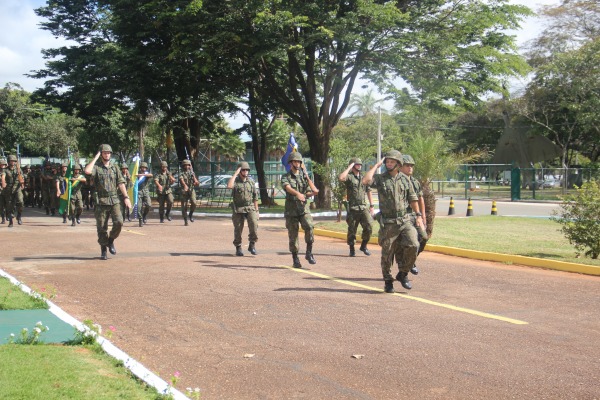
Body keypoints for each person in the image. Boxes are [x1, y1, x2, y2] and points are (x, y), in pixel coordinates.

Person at [362, 150, 425, 293]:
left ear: (398, 164)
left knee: (414, 245)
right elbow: (366, 181)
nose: (389, 164)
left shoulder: (405, 179)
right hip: (389, 223)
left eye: (392, 162)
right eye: (387, 162)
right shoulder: (380, 178)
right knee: (387, 254)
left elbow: (413, 199)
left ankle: (403, 273)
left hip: (405, 220)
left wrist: (419, 216)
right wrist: (376, 165)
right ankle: (388, 281)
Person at [84, 144, 131, 260]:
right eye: (104, 153)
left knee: (119, 222)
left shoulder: (115, 168)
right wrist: (96, 157)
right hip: (101, 201)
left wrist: (126, 197)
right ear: (101, 154)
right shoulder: (97, 167)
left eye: (109, 153)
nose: (107, 154)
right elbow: (87, 171)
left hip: (114, 199)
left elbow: (121, 183)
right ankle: (103, 250)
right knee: (102, 227)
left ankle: (111, 240)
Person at [281, 151, 319, 268]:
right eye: (295, 161)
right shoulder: (285, 177)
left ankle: (309, 252)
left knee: (309, 226)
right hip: (291, 210)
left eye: (299, 161)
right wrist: (298, 194)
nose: (297, 163)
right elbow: (287, 188)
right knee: (293, 235)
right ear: (291, 163)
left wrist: (307, 177)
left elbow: (314, 191)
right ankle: (295, 258)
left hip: (303, 208)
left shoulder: (304, 177)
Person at [338, 158, 374, 257]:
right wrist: (349, 167)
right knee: (352, 230)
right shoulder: (349, 177)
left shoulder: (363, 178)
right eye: (357, 164)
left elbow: (369, 191)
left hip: (363, 208)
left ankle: (363, 245)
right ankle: (352, 249)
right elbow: (341, 178)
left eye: (360, 164)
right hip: (353, 208)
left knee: (369, 226)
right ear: (353, 166)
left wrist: (371, 205)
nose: (360, 166)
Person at [400, 154, 428, 275]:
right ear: (401, 167)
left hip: (415, 215)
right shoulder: (397, 181)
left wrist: (422, 215)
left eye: (411, 166)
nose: (410, 168)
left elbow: (420, 198)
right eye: (407, 165)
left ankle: (411, 261)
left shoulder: (415, 182)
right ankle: (405, 265)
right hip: (402, 216)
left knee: (423, 237)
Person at [227, 161, 259, 256]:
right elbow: (229, 186)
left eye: (247, 170)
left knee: (254, 224)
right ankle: (238, 247)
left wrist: (257, 211)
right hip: (238, 208)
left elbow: (255, 197)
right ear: (240, 171)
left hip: (250, 207)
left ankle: (252, 245)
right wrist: (235, 173)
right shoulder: (236, 181)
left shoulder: (251, 182)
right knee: (238, 228)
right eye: (243, 170)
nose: (245, 172)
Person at [1, 155, 25, 227]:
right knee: (9, 206)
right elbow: (3, 176)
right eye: (12, 161)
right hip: (8, 189)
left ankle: (19, 216)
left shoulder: (18, 169)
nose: (13, 162)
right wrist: (3, 182)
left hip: (17, 188)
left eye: (14, 161)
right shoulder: (5, 170)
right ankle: (11, 221)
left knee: (20, 202)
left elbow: (21, 178)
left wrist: (22, 183)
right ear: (8, 161)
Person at [179, 159, 199, 226]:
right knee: (184, 206)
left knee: (194, 202)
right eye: (185, 165)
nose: (187, 166)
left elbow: (196, 181)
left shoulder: (192, 173)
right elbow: (181, 180)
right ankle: (185, 220)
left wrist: (195, 180)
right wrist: (185, 186)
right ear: (183, 166)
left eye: (188, 165)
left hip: (191, 189)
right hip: (184, 191)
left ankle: (190, 214)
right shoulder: (181, 173)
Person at [135, 162, 153, 227]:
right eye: (142, 167)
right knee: (139, 207)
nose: (144, 168)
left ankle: (144, 215)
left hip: (145, 192)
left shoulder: (146, 174)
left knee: (149, 204)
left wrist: (142, 175)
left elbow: (151, 175)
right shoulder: (136, 174)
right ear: (140, 168)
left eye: (145, 167)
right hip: (139, 192)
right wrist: (137, 175)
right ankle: (140, 219)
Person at [0, 157, 6, 224]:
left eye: (4, 164)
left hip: (7, 189)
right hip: (1, 189)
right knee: (1, 205)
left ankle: (8, 215)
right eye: (2, 164)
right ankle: (3, 218)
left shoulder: (7, 171)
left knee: (8, 204)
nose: (3, 166)